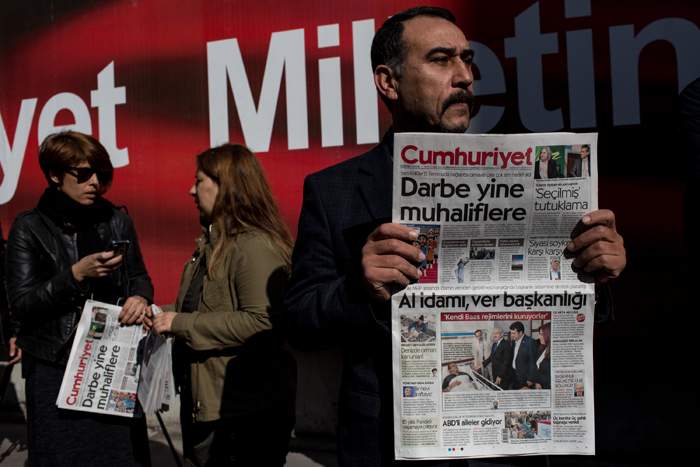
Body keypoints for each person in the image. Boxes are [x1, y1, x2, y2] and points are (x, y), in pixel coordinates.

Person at [285, 6, 626, 466]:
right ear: (388, 82)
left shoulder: (527, 176)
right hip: (388, 442)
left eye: (468, 60)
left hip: (510, 449)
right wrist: (358, 291)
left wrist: (595, 275)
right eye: (442, 59)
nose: (465, 76)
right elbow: (299, 319)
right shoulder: (334, 191)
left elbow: (569, 311)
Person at [5, 131, 153, 466]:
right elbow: (23, 303)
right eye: (83, 174)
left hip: (109, 362)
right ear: (55, 175)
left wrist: (140, 298)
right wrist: (74, 275)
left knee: (117, 456)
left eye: (102, 174)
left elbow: (139, 276)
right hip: (54, 364)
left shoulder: (117, 219)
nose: (95, 183)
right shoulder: (30, 227)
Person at [147, 144, 296, 467]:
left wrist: (178, 323)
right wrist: (157, 314)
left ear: (225, 185)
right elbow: (201, 306)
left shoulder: (254, 246)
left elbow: (264, 322)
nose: (190, 190)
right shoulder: (211, 245)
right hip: (211, 404)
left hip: (246, 416)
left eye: (199, 180)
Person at [509, 322, 539, 390]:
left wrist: (530, 379)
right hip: (514, 375)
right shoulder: (514, 342)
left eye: (514, 333)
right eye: (511, 333)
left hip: (524, 378)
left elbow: (533, 362)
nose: (511, 335)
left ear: (521, 332)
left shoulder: (530, 342)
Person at [533, 323, 551, 390]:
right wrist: (537, 382)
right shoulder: (542, 348)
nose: (539, 336)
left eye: (542, 334)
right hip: (538, 386)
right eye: (539, 334)